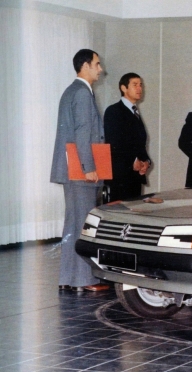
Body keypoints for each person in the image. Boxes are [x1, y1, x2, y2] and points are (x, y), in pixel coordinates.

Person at [50, 49, 109, 292]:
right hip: (80, 171)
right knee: (83, 225)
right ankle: (84, 280)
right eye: (97, 64)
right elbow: (83, 133)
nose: (100, 69)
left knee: (74, 224)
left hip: (71, 170)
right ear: (85, 66)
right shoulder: (83, 93)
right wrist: (89, 167)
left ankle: (69, 278)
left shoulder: (71, 91)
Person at [103, 73, 151, 201]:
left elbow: (140, 144)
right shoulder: (114, 111)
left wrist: (146, 161)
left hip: (135, 177)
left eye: (140, 85)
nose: (139, 88)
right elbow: (114, 143)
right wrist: (133, 161)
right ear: (123, 88)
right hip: (120, 178)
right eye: (135, 85)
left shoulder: (135, 111)